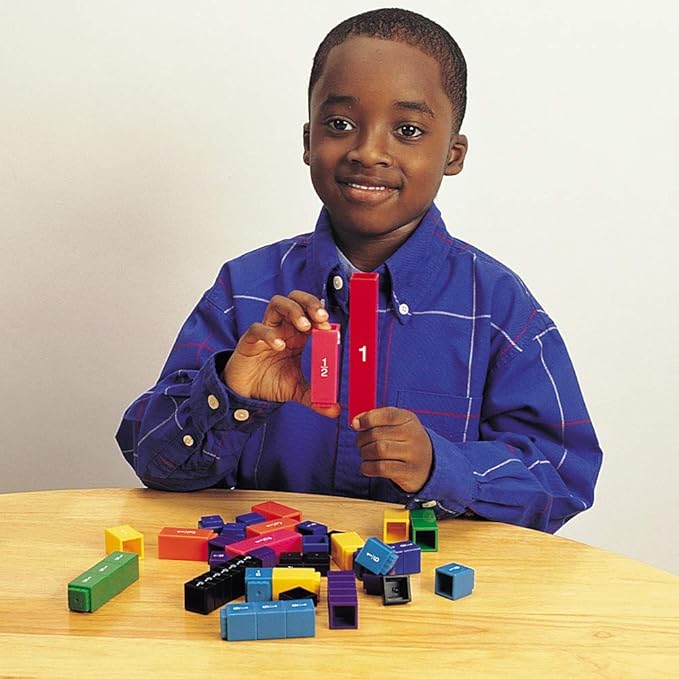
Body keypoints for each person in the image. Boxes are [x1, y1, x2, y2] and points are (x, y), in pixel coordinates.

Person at [116, 8, 602, 533]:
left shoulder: (498, 307)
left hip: (431, 584)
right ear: (308, 142)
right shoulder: (245, 291)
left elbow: (562, 479)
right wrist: (232, 394)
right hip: (267, 576)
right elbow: (153, 461)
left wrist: (443, 467)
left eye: (408, 130)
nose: (368, 152)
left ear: (453, 154)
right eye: (340, 125)